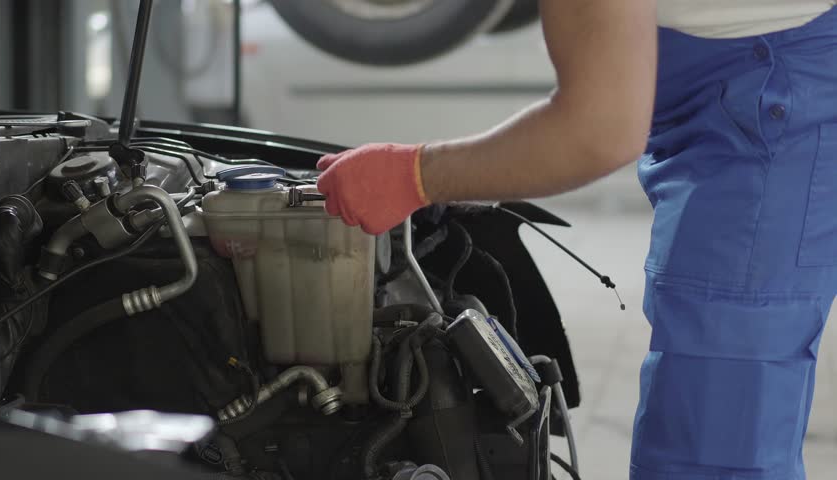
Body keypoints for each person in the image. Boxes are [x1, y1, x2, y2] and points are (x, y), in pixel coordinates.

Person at [315, 1, 837, 479]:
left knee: (714, 448)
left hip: (775, 100)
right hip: (732, 88)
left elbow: (600, 127)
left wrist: (414, 177)